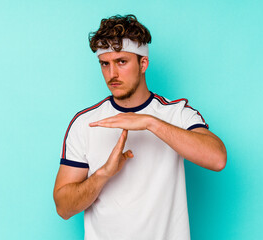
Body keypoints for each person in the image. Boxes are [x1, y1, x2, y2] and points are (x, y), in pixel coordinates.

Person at [53, 14, 227, 239]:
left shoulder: (176, 114)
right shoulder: (85, 123)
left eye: (121, 62)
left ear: (143, 63)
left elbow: (217, 159)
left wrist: (149, 122)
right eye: (105, 64)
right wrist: (103, 174)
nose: (112, 74)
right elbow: (63, 208)